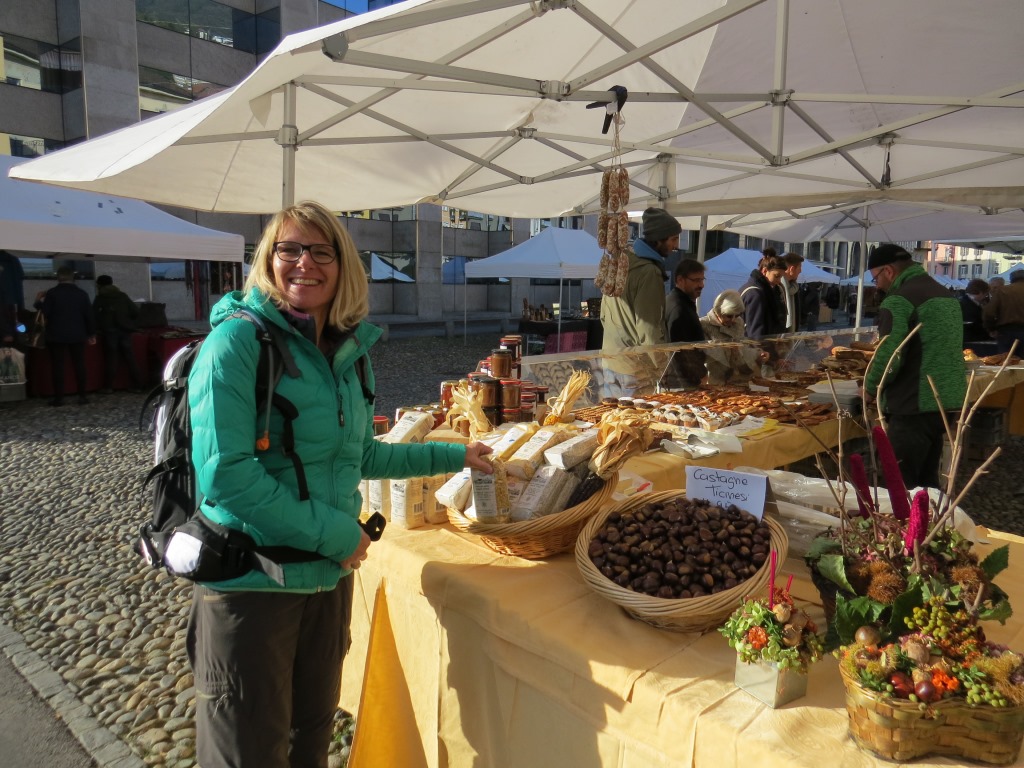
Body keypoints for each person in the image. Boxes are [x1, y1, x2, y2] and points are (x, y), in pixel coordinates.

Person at [185, 201, 494, 768]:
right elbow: (227, 476)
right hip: (255, 586)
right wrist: (338, 536)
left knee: (310, 739)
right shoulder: (235, 344)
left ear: (343, 265)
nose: (304, 263)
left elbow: (360, 454)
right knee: (247, 752)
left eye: (320, 251)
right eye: (289, 249)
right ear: (268, 259)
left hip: (325, 581)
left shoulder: (347, 351)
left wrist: (456, 455)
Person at [862, 244, 966, 489]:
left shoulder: (899, 299)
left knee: (899, 485)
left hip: (914, 403)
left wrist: (869, 387)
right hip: (944, 400)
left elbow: (891, 353)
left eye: (876, 278)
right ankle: (929, 514)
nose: (877, 285)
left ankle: (905, 516)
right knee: (926, 481)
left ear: (888, 271)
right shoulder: (944, 294)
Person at [600, 207, 680, 353]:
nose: (676, 246)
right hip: (636, 361)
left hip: (612, 356)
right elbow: (649, 330)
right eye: (674, 239)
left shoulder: (620, 263)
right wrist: (662, 364)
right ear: (659, 239)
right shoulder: (649, 272)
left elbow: (604, 315)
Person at [34, 266, 96, 406]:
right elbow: (89, 315)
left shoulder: (52, 293)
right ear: (72, 277)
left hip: (56, 334)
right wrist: (91, 333)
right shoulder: (82, 294)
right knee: (79, 364)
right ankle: (82, 396)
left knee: (58, 366)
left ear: (58, 277)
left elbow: (44, 313)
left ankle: (59, 398)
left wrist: (38, 301)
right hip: (78, 334)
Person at [699, 289, 766, 384]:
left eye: (737, 315)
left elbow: (743, 350)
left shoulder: (739, 322)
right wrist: (725, 347)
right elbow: (702, 355)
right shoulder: (704, 324)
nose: (733, 320)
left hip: (740, 379)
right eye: (729, 316)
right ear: (718, 311)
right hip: (717, 381)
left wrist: (758, 354)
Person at [93, 274, 144, 392]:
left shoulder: (101, 298)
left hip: (109, 332)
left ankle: (108, 387)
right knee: (130, 358)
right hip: (125, 331)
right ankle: (138, 385)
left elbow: (94, 315)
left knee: (111, 359)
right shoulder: (122, 296)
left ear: (99, 285)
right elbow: (135, 312)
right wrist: (126, 320)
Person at [739, 254, 787, 339]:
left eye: (781, 277)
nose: (779, 281)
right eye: (776, 276)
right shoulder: (755, 294)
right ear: (764, 271)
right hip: (759, 345)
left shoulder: (764, 290)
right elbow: (755, 331)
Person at [664, 258, 706, 343]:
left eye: (702, 280)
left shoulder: (682, 303)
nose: (701, 285)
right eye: (696, 280)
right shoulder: (679, 308)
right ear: (680, 280)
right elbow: (679, 348)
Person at [982, 270, 1024, 355]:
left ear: (1011, 279)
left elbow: (989, 312)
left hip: (1007, 333)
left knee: (1006, 359)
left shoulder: (1002, 291)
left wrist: (991, 329)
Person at [959, 278, 990, 348]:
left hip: (970, 339)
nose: (986, 296)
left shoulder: (965, 302)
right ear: (981, 292)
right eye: (986, 294)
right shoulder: (967, 305)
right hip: (972, 340)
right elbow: (974, 324)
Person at [780, 252, 804, 332]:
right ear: (792, 269)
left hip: (790, 334)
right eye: (799, 268)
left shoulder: (793, 287)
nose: (800, 271)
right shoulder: (777, 287)